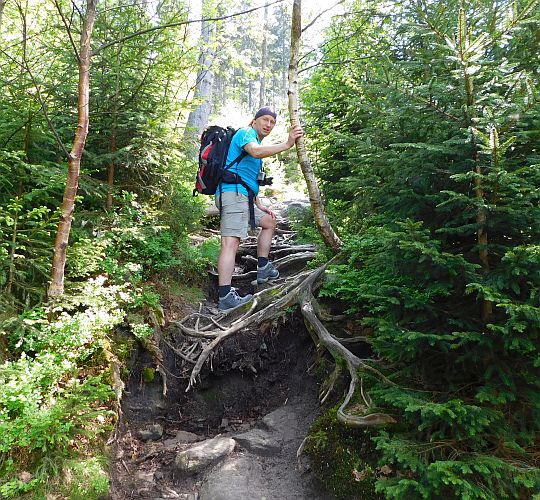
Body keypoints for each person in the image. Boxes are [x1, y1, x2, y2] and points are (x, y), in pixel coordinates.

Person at [216, 106, 303, 312]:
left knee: (268, 221)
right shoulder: (246, 134)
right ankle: (225, 297)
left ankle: (263, 268)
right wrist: (287, 144)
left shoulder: (256, 141)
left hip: (244, 197)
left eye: (272, 122)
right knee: (231, 243)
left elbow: (244, 174)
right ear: (254, 121)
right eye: (265, 119)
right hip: (233, 195)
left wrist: (258, 203)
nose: (268, 125)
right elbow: (254, 152)